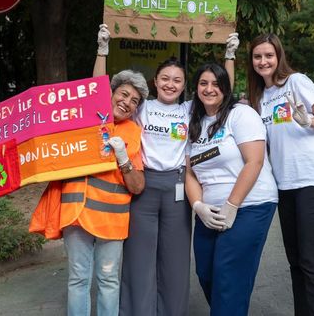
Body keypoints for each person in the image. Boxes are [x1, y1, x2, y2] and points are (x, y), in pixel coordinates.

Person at [94, 24, 240, 316]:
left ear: (184, 86)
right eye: (165, 79)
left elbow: (224, 90)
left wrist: (229, 56)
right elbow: (99, 96)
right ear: (156, 81)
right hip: (143, 187)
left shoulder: (189, 109)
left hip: (177, 189)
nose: (170, 84)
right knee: (138, 259)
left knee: (174, 262)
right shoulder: (142, 107)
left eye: (177, 80)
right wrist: (102, 50)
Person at [29, 36, 149, 316]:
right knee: (78, 279)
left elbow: (138, 186)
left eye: (134, 101)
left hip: (111, 219)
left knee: (108, 280)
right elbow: (94, 87)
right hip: (77, 213)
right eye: (123, 94)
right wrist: (101, 50)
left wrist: (124, 161)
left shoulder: (134, 133)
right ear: (111, 93)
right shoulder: (85, 119)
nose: (127, 102)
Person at [246, 33, 314, 316]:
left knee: (310, 259)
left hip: (312, 179)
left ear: (279, 56)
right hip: (283, 182)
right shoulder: (259, 97)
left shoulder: (296, 82)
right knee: (295, 259)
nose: (264, 61)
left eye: (269, 55)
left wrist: (309, 120)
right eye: (258, 56)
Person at [185, 63, 278, 316]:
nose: (209, 89)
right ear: (196, 88)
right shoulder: (195, 122)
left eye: (216, 84)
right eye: (203, 83)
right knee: (205, 272)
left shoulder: (241, 114)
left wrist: (232, 205)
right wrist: (198, 206)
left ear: (226, 88)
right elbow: (190, 173)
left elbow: (255, 161)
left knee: (229, 276)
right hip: (210, 210)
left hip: (249, 205)